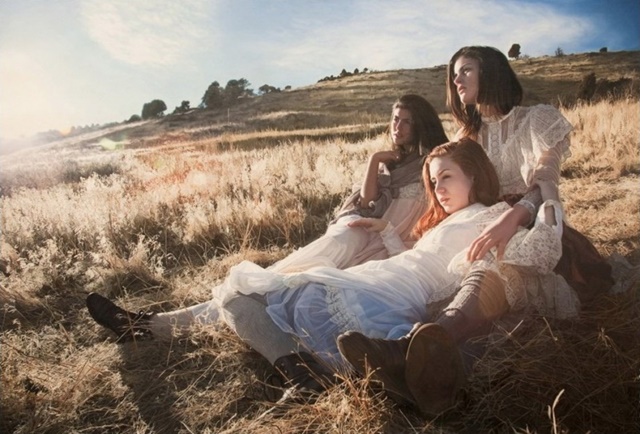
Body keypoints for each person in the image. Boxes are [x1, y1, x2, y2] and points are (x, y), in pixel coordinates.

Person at [86, 94, 449, 398]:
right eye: (394, 119)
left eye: (405, 122)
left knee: (264, 286)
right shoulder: (392, 161)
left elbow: (418, 223)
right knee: (266, 283)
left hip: (381, 251)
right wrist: (374, 160)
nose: (396, 127)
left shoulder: (430, 166)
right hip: (354, 240)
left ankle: (149, 325)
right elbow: (368, 201)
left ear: (421, 126)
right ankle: (149, 325)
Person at [336, 46, 607, 417]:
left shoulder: (538, 119)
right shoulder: (469, 136)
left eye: (465, 70)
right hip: (484, 219)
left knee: (495, 265)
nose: (456, 80)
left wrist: (513, 216)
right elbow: (448, 184)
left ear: (491, 72)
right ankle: (426, 379)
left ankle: (405, 351)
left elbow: (546, 184)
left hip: (532, 221)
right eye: (454, 74)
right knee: (457, 277)